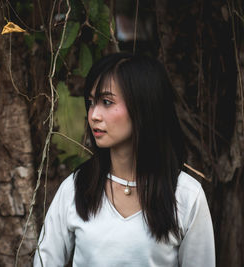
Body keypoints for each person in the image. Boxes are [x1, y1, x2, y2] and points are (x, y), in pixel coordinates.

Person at [33, 53, 215, 266]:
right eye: (91, 102)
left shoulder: (186, 195)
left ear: (144, 106)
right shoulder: (76, 187)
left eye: (107, 102)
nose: (94, 115)